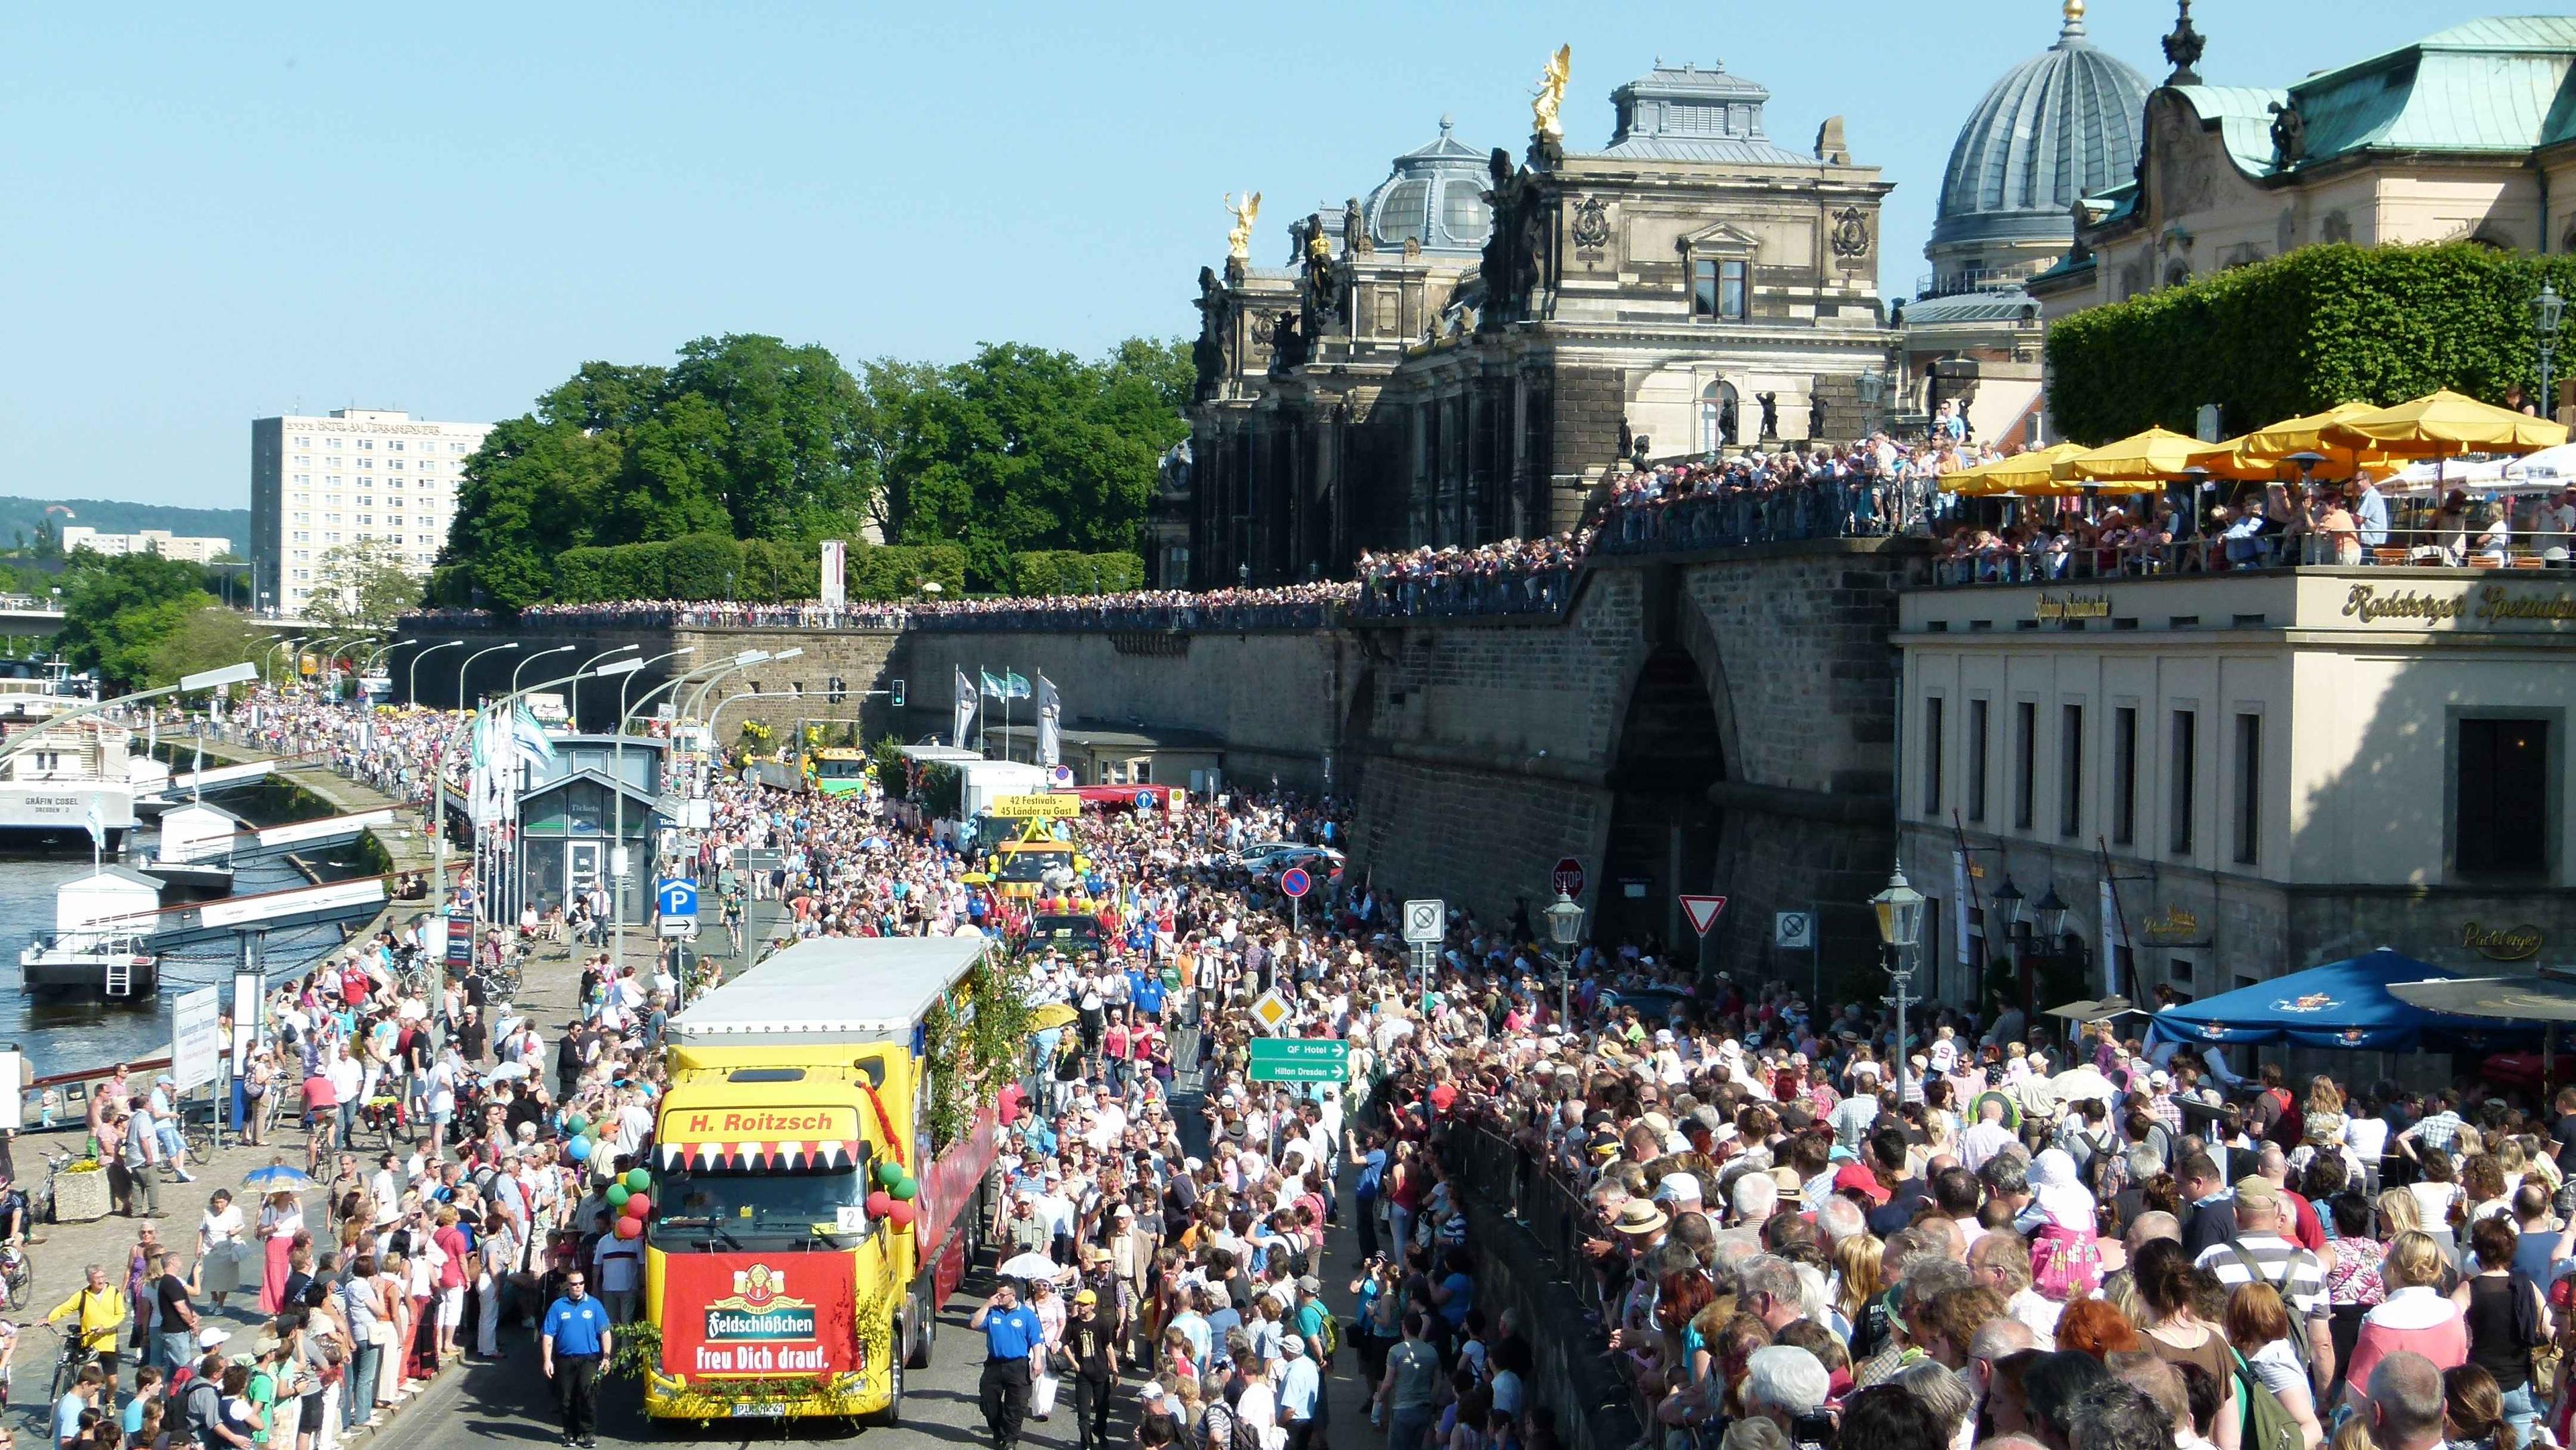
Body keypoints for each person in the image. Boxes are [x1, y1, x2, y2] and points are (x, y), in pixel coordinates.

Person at [539, 1270, 610, 1449]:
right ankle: (570, 1434)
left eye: (580, 1283)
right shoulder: (558, 1306)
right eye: (573, 1284)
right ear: (567, 1286)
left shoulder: (594, 1305)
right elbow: (548, 1335)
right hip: (565, 1359)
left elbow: (605, 1332)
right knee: (565, 1398)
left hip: (589, 1359)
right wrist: (547, 1360)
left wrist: (607, 1356)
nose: (577, 1287)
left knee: (588, 1396)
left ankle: (588, 1434)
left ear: (584, 1284)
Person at [972, 1280, 1042, 1450]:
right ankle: (998, 1429)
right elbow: (974, 1324)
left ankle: (1011, 1439)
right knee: (988, 1399)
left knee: (1016, 1404)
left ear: (1013, 1295)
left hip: (1017, 1364)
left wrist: (1038, 1360)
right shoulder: (993, 1312)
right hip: (995, 1363)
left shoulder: (1026, 1315)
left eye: (1002, 1295)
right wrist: (988, 1304)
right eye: (997, 1294)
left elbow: (1036, 1339)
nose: (999, 1298)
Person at [45, 1266, 125, 1384]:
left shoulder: (114, 1293)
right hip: (89, 1344)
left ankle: (110, 1398)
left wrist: (105, 1328)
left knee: (112, 1381)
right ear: (89, 1280)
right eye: (97, 1278)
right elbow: (64, 1308)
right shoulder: (83, 1295)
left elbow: (121, 1316)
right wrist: (48, 1318)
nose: (101, 1280)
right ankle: (93, 1402)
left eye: (103, 1277)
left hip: (108, 1344)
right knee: (92, 1380)